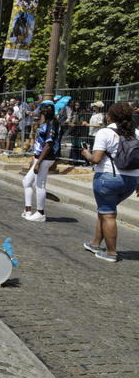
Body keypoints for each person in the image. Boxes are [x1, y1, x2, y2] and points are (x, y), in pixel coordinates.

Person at [81, 102, 139, 262]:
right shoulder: (137, 133)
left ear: (111, 116)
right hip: (132, 180)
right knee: (105, 210)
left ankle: (111, 252)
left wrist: (87, 153)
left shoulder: (104, 132)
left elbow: (96, 159)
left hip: (108, 178)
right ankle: (95, 243)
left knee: (108, 214)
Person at [21, 101, 60, 222]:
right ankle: (28, 210)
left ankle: (40, 213)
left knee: (40, 185)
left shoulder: (53, 123)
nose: (43, 112)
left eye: (44, 110)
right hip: (40, 157)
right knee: (27, 182)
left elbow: (49, 144)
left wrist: (38, 163)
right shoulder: (47, 122)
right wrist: (35, 159)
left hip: (45, 158)